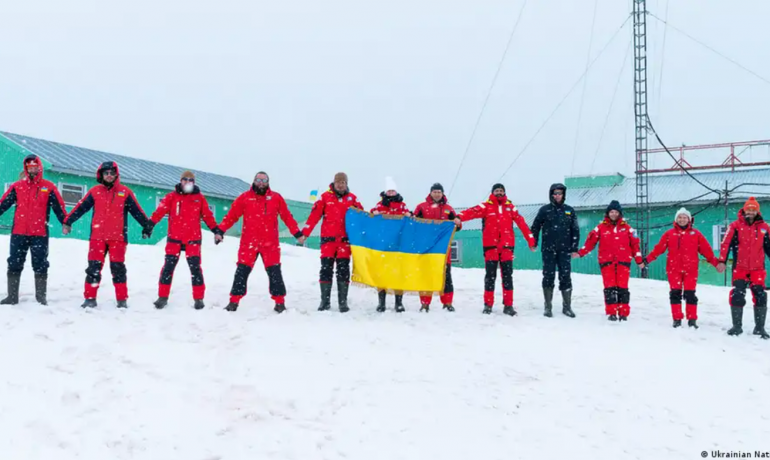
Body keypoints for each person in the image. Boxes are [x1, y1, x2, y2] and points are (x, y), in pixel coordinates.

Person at [63, 161, 154, 308]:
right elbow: (81, 208)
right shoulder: (95, 191)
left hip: (118, 239)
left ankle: (121, 300)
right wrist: (68, 221)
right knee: (93, 268)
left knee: (118, 269)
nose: (109, 175)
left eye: (112, 173)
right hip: (97, 238)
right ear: (101, 175)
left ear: (116, 174)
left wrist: (146, 226)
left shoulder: (125, 192)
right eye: (106, 173)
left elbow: (137, 211)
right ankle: (90, 298)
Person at [217, 171, 306, 313]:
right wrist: (220, 231)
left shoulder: (276, 198)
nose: (261, 183)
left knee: (275, 273)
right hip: (248, 243)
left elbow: (287, 217)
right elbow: (231, 216)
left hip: (270, 244)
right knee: (241, 272)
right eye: (258, 180)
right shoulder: (245, 198)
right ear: (253, 181)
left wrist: (297, 233)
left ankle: (280, 303)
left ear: (268, 182)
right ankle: (233, 302)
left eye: (264, 180)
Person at [455, 183, 536, 315]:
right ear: (493, 192)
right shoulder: (486, 206)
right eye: (497, 190)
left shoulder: (510, 208)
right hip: (490, 247)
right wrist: (459, 217)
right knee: (490, 277)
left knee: (507, 277)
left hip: (507, 248)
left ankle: (508, 305)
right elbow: (472, 211)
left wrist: (531, 241)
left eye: (501, 191)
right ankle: (488, 305)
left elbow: (522, 223)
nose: (499, 192)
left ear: (504, 193)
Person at [149, 171, 223, 310]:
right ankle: (162, 298)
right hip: (174, 239)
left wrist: (216, 231)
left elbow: (208, 216)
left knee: (195, 270)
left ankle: (199, 299)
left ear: (193, 182)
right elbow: (159, 212)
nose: (187, 182)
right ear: (180, 181)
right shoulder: (171, 197)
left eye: (190, 180)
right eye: (185, 179)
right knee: (168, 269)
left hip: (193, 240)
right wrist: (150, 225)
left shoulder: (199, 198)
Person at [0, 154, 67, 305]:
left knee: (40, 263)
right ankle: (12, 297)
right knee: (14, 263)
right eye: (29, 167)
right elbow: (3, 203)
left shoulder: (48, 187)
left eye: (35, 166)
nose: (32, 169)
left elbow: (59, 207)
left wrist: (65, 222)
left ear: (39, 167)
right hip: (19, 233)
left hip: (40, 234)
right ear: (26, 168)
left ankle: (40, 297)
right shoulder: (17, 187)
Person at [645, 207, 719, 329]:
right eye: (680, 217)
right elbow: (659, 249)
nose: (682, 219)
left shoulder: (696, 234)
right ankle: (677, 319)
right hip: (674, 270)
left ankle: (692, 319)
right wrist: (647, 260)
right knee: (675, 294)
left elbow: (707, 251)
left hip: (691, 270)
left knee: (690, 294)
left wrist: (716, 263)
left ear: (689, 219)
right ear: (676, 219)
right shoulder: (669, 234)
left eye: (684, 217)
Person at [301, 172, 363, 313]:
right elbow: (314, 217)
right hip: (328, 242)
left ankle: (343, 302)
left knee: (343, 272)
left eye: (343, 182)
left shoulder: (352, 199)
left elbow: (362, 217)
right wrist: (305, 233)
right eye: (338, 182)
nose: (340, 185)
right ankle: (325, 301)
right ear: (334, 183)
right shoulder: (324, 197)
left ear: (346, 184)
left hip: (344, 243)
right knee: (326, 271)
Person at [574, 200, 643, 321]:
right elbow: (590, 243)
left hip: (623, 263)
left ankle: (623, 313)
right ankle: (611, 312)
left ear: (620, 213)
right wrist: (580, 253)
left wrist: (639, 260)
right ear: (608, 213)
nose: (614, 214)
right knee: (609, 288)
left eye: (616, 212)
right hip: (606, 263)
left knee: (623, 288)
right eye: (611, 211)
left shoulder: (628, 229)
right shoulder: (600, 228)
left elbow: (635, 246)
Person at [716, 197, 770, 339]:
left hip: (758, 268)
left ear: (757, 211)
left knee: (761, 296)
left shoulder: (765, 227)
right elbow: (725, 243)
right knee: (737, 295)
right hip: (740, 267)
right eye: (748, 209)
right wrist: (722, 260)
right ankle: (737, 326)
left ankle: (759, 328)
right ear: (744, 210)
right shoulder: (735, 226)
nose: (751, 212)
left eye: (753, 209)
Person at [530, 183, 579, 318]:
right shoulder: (544, 210)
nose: (557, 196)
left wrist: (574, 248)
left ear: (563, 195)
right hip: (548, 249)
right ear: (551, 195)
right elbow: (535, 227)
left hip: (564, 250)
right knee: (548, 276)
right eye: (555, 193)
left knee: (565, 276)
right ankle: (548, 306)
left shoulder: (569, 210)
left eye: (560, 193)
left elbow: (575, 230)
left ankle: (567, 307)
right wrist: (533, 242)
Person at [413, 182, 461, 312]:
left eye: (439, 192)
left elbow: (456, 227)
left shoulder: (449, 208)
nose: (437, 194)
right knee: (426, 276)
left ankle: (447, 303)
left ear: (442, 193)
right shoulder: (421, 207)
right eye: (435, 191)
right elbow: (413, 224)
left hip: (443, 251)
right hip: (426, 249)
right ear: (430, 193)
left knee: (446, 277)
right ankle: (425, 303)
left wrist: (457, 222)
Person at [371, 176, 411, 312]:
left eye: (393, 191)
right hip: (383, 245)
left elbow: (409, 218)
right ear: (385, 192)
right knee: (382, 273)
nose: (391, 193)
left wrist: (408, 215)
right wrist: (373, 213)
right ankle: (381, 302)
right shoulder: (380, 205)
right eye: (389, 191)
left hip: (398, 245)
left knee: (398, 274)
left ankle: (398, 302)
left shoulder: (402, 205)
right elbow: (371, 217)